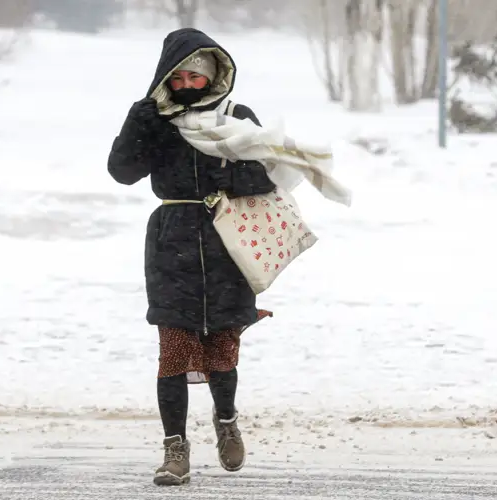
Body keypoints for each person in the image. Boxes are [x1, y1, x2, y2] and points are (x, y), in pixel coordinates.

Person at [106, 28, 275, 486]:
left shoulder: (236, 117)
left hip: (226, 240)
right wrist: (141, 122)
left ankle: (225, 421)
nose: (186, 84)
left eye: (196, 77)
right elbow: (122, 172)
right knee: (174, 350)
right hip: (171, 240)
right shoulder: (155, 119)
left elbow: (265, 178)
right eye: (178, 76)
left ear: (214, 76)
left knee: (221, 346)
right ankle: (174, 449)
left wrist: (224, 180)